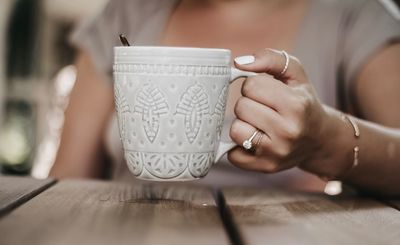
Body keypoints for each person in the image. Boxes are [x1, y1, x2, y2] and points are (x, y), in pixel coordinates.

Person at [50, 0, 400, 195]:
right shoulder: (128, 12)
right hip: (128, 241)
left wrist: (327, 142)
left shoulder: (354, 15)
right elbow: (67, 179)